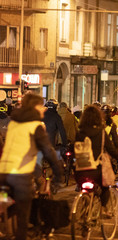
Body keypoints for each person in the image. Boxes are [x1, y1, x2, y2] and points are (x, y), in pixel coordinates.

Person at [0, 93, 63, 240]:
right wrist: (58, 173)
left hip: (3, 174)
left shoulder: (14, 123)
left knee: (8, 205)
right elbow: (48, 151)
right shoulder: (35, 126)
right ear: (35, 107)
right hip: (20, 175)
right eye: (41, 106)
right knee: (24, 215)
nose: (44, 109)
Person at [75, 105, 118, 207]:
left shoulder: (79, 133)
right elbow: (111, 149)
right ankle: (103, 209)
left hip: (80, 169)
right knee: (105, 187)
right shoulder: (101, 132)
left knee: (82, 185)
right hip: (95, 169)